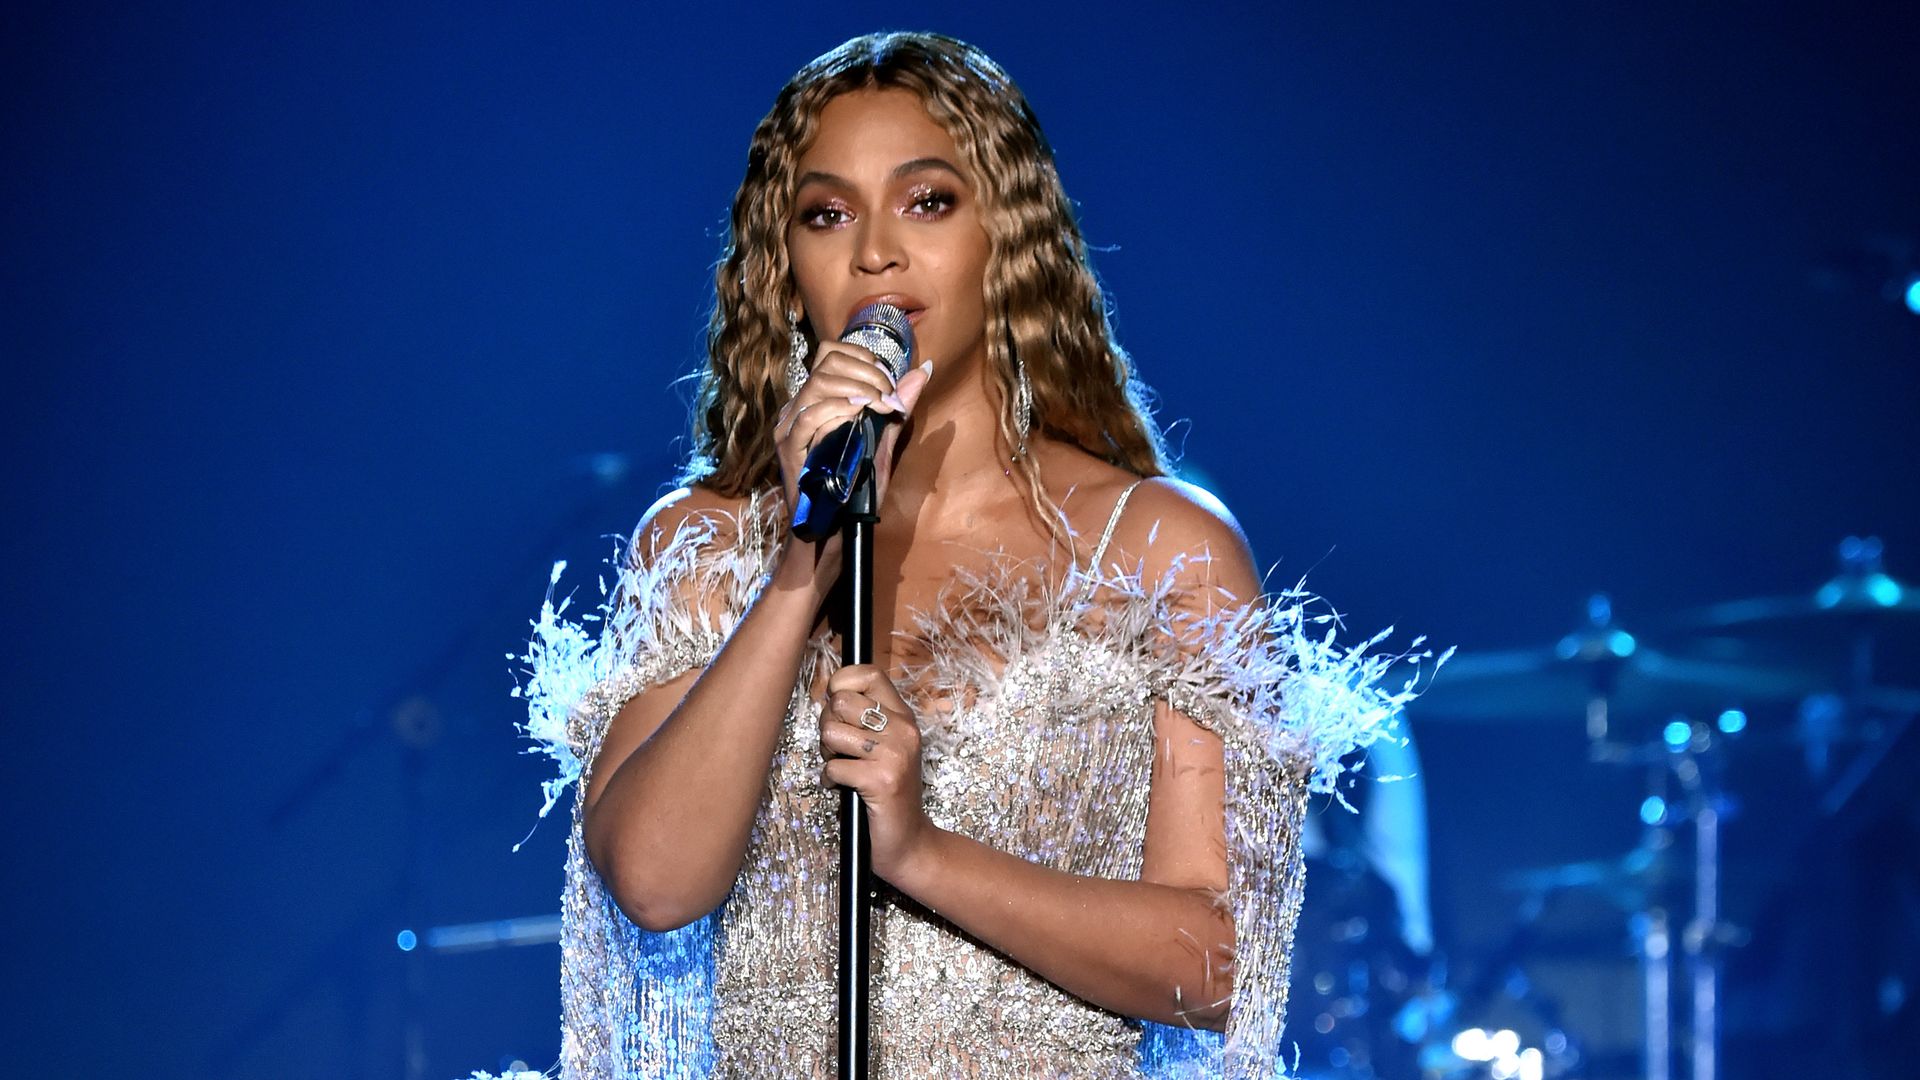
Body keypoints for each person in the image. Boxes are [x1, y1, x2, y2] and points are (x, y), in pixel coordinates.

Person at [516, 31, 1429, 1079]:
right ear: (785, 268)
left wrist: (918, 852)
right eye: (826, 215)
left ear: (1011, 235)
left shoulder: (1158, 548)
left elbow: (1222, 960)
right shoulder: (707, 543)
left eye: (927, 201)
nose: (874, 253)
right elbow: (654, 879)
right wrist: (802, 563)